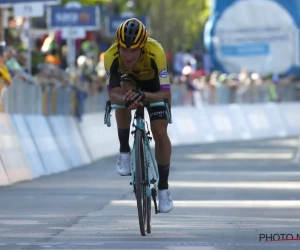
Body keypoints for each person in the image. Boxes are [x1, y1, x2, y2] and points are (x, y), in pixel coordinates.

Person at [104, 18, 173, 213]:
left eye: (133, 50)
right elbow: (113, 93)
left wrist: (145, 96)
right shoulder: (111, 56)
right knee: (123, 95)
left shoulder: (156, 52)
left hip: (153, 87)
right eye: (124, 49)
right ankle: (125, 151)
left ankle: (163, 189)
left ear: (142, 47)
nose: (127, 55)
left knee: (160, 132)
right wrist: (126, 99)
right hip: (129, 83)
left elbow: (165, 94)